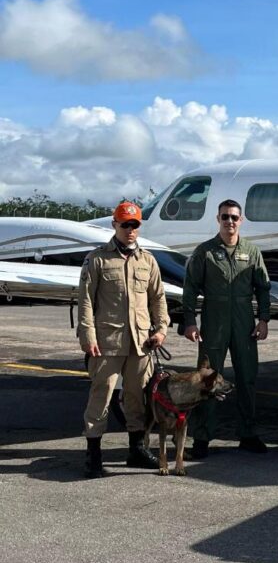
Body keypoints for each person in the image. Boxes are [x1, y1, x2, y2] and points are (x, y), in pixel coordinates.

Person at [78, 201, 169, 478]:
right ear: (114, 224)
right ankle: (94, 455)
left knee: (136, 397)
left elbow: (158, 299)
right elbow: (85, 302)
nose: (130, 230)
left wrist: (161, 329)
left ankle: (136, 450)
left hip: (140, 343)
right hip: (107, 341)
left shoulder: (148, 260)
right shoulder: (97, 259)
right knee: (101, 396)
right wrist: (88, 336)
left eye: (135, 225)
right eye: (125, 224)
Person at [182, 199, 271, 458]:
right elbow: (190, 289)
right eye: (225, 217)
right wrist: (189, 321)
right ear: (218, 220)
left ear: (241, 220)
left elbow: (263, 288)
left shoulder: (252, 252)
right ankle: (201, 438)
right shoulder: (205, 252)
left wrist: (263, 319)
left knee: (247, 378)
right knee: (207, 379)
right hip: (214, 321)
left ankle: (248, 434)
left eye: (234, 217)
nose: (229, 222)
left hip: (244, 322)